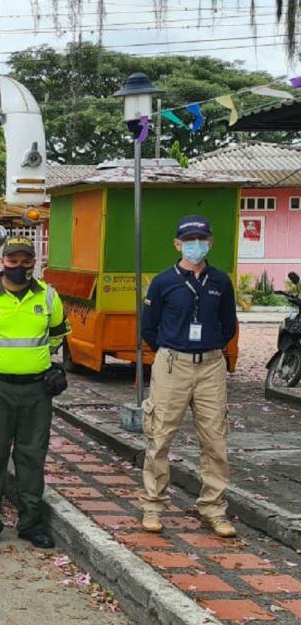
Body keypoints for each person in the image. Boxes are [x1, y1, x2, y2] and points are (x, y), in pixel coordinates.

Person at [0, 236, 69, 550]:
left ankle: (31, 523)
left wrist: (41, 362)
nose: (19, 266)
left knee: (32, 456)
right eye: (13, 260)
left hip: (36, 389)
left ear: (35, 262)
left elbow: (58, 334)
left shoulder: (47, 296)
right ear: (2, 261)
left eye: (26, 260)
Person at [140, 215, 238, 538]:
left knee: (215, 440)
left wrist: (208, 348)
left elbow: (228, 326)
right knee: (160, 435)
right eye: (189, 240)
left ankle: (213, 508)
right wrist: (173, 350)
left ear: (210, 242)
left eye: (202, 239)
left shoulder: (220, 282)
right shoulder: (163, 282)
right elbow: (149, 327)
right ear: (177, 244)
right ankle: (153, 505)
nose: (196, 245)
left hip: (210, 365)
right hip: (172, 364)